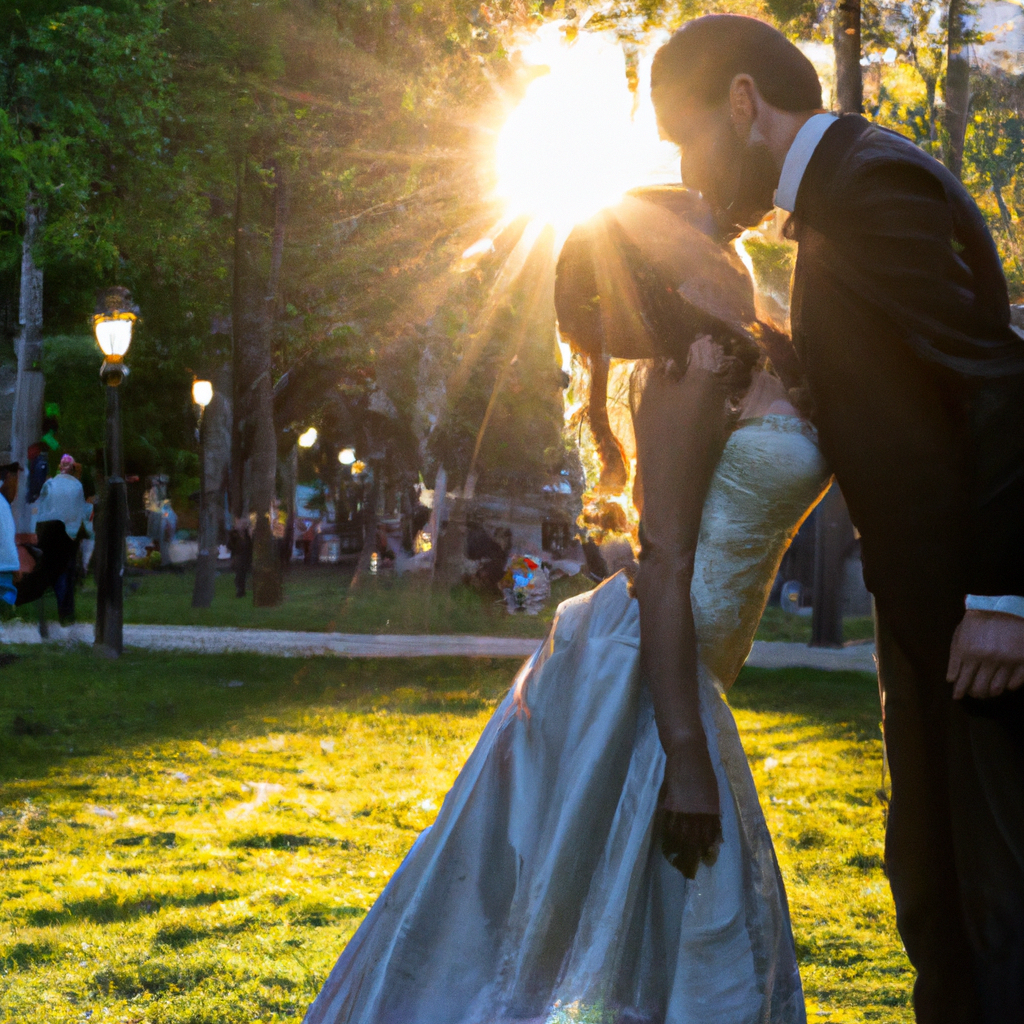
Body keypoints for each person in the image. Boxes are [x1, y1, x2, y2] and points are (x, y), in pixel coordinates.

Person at [303, 187, 830, 1023]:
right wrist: (685, 750)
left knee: (653, 905)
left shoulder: (752, 357)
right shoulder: (690, 367)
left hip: (678, 660)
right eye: (701, 229)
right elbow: (665, 566)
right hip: (642, 664)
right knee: (582, 906)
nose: (725, 237)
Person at [649, 17, 1024, 1022]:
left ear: (741, 102)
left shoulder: (871, 188)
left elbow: (999, 386)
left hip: (975, 627)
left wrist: (1001, 597)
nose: (689, 173)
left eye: (684, 138)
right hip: (925, 619)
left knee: (993, 913)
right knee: (932, 896)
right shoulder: (832, 205)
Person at [0, 463, 22, 606]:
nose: (16, 488)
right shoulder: (2, 504)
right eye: (16, 481)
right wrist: (14, 565)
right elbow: (5, 538)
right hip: (3, 567)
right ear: (8, 476)